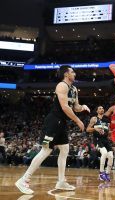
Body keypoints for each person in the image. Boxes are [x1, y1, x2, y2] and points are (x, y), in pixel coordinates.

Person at [15, 65, 90, 194]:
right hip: (53, 122)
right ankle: (24, 179)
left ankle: (61, 181)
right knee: (45, 150)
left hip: (62, 124)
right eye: (72, 72)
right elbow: (65, 107)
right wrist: (78, 120)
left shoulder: (74, 89)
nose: (75, 74)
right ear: (66, 74)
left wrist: (82, 107)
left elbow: (75, 106)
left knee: (65, 149)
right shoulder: (62, 86)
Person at [86, 106, 113, 182]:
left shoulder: (107, 120)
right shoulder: (94, 119)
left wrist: (113, 132)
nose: (102, 109)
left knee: (111, 156)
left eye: (102, 108)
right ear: (97, 111)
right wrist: (95, 129)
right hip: (97, 139)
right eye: (100, 108)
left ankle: (107, 173)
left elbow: (109, 131)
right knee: (104, 153)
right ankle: (101, 173)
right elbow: (87, 129)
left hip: (105, 140)